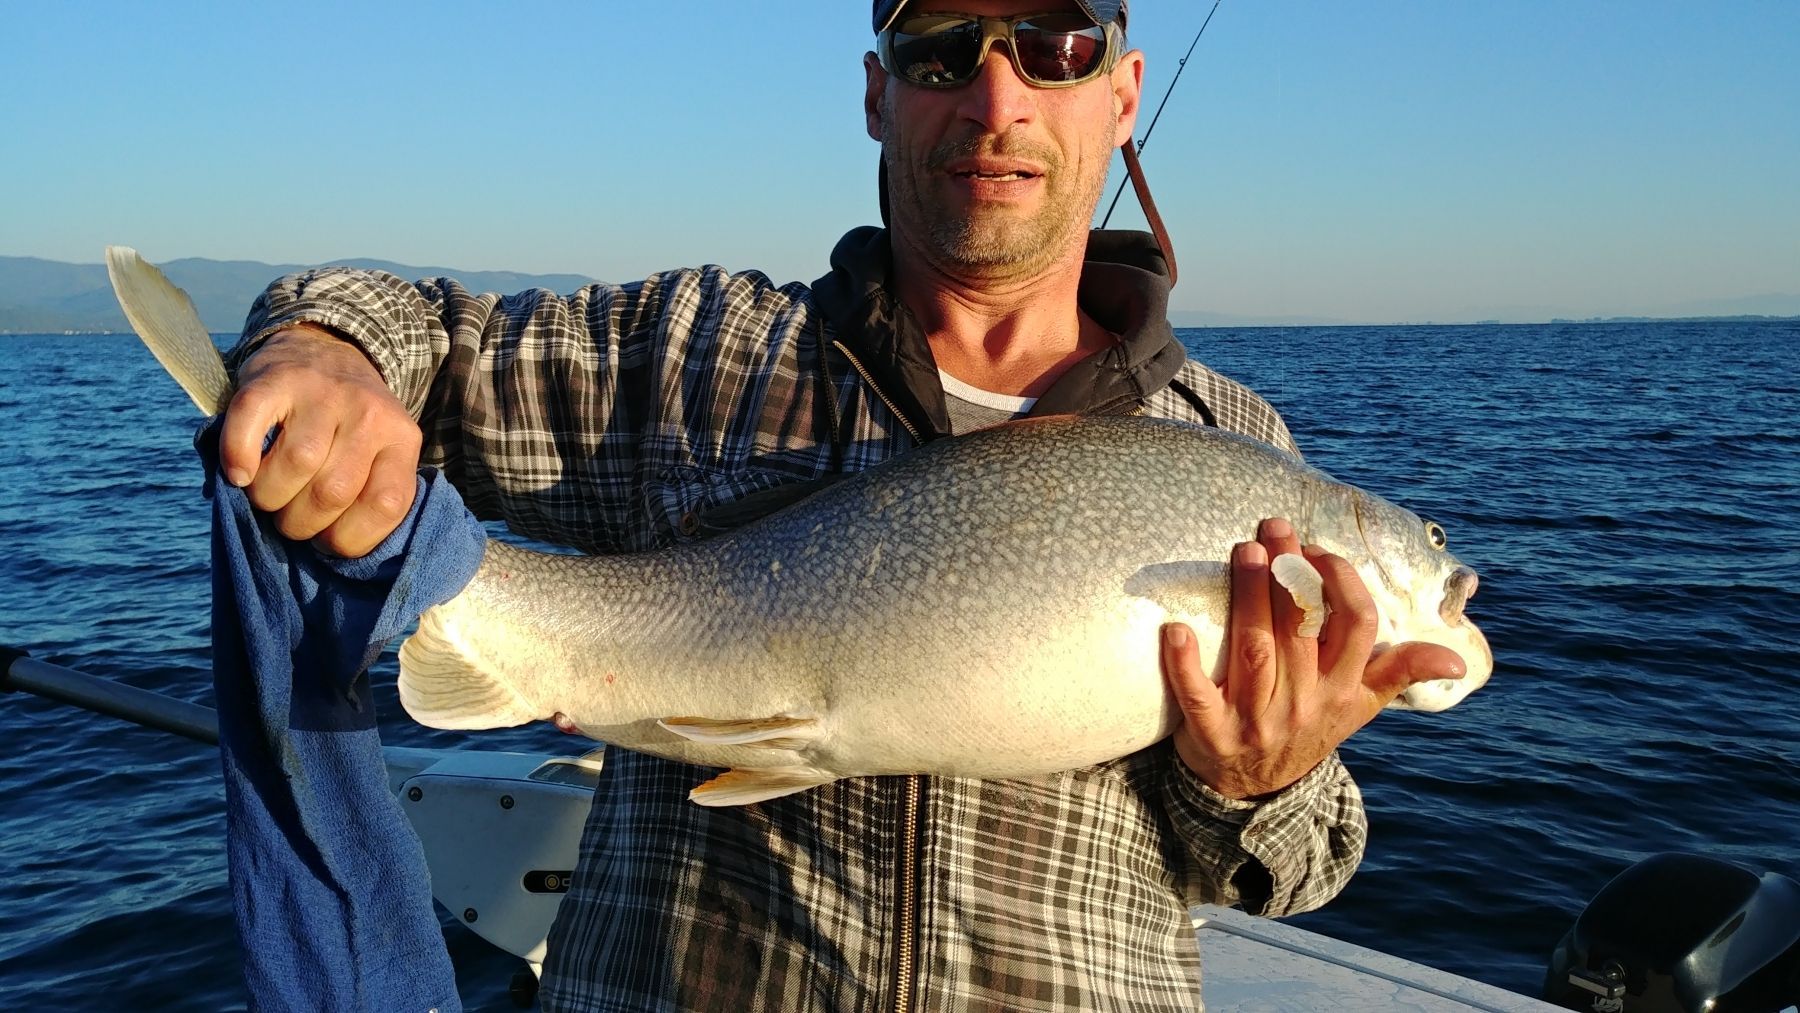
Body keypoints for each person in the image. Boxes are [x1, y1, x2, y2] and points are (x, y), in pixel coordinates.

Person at [221, 1, 1463, 1009]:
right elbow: (409, 324)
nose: (998, 100)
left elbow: (1302, 870)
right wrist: (327, 347)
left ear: (1123, 90)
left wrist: (1259, 778)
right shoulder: (697, 344)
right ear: (878, 91)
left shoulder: (1240, 451)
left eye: (1055, 47)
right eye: (941, 51)